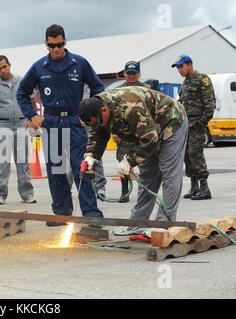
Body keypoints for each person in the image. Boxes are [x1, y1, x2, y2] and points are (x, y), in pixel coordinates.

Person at [17, 24, 105, 227]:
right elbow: (22, 93)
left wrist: (90, 113)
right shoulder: (39, 67)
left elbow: (97, 88)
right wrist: (32, 115)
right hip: (51, 122)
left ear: (65, 42)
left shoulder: (79, 63)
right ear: (45, 44)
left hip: (75, 121)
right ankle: (62, 212)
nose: (55, 49)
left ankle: (91, 214)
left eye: (59, 44)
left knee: (81, 167)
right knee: (55, 168)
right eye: (51, 45)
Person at [79, 86, 188, 236]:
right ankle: (137, 223)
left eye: (97, 122)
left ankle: (164, 223)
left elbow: (150, 139)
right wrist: (91, 156)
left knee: (169, 174)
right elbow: (98, 135)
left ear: (104, 110)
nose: (96, 126)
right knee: (147, 177)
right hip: (149, 130)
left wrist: (129, 161)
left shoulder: (129, 106)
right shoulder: (97, 113)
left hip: (171, 123)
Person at [0, 55, 36, 205]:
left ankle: (27, 194)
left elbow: (32, 98)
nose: (2, 70)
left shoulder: (22, 81)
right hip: (2, 126)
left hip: (21, 124)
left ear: (9, 65)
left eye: (4, 67)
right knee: (2, 163)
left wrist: (32, 118)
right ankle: (0, 195)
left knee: (23, 162)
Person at [172, 55, 216, 201]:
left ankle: (205, 188)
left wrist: (200, 123)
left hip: (196, 126)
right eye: (177, 67)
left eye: (181, 66)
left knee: (196, 156)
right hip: (185, 127)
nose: (179, 69)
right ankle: (194, 186)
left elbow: (210, 105)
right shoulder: (185, 83)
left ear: (190, 64)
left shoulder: (202, 79)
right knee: (187, 157)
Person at [114, 61, 151, 203]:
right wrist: (115, 132)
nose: (131, 76)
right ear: (124, 74)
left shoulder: (146, 89)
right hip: (125, 133)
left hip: (143, 133)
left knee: (146, 165)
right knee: (123, 163)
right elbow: (115, 112)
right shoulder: (118, 91)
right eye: (128, 73)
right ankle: (125, 192)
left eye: (134, 73)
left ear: (139, 74)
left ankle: (147, 192)